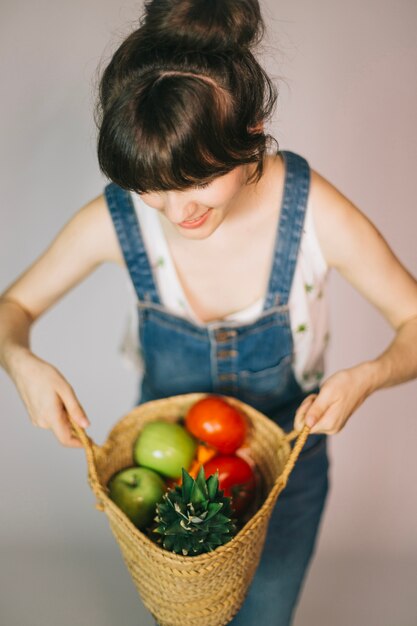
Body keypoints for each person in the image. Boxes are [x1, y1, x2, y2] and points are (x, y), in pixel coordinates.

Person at [1, 0, 417, 624]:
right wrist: (18, 359)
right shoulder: (121, 217)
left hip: (283, 480)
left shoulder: (312, 213)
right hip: (167, 483)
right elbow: (15, 306)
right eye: (152, 188)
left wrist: (367, 376)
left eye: (197, 178)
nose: (176, 211)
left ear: (251, 129)